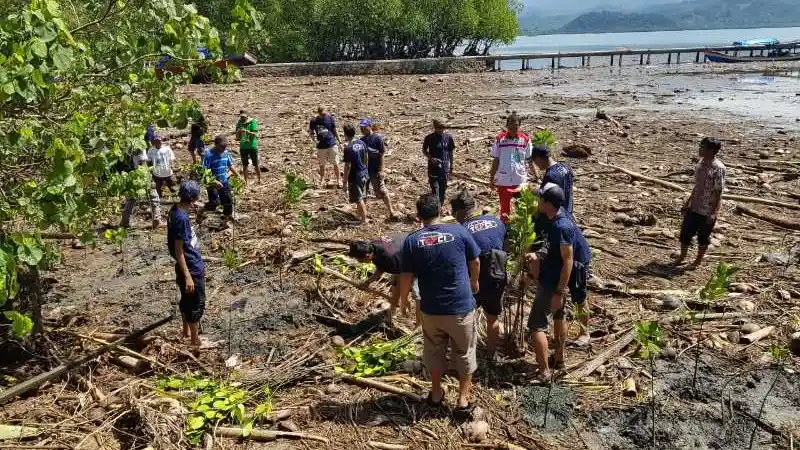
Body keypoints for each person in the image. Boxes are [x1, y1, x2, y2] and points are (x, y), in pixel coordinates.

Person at [397, 193, 480, 419]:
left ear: (418, 216)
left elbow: (406, 276)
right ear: (442, 211)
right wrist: (474, 281)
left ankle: (435, 394)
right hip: (460, 307)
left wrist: (403, 301)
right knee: (465, 352)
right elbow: (475, 261)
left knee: (434, 352)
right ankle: (463, 401)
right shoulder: (459, 231)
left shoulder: (412, 241)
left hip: (431, 310)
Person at [526, 183, 591, 384]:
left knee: (536, 325)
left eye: (541, 199)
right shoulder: (555, 217)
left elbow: (568, 259)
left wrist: (560, 290)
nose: (538, 201)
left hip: (564, 272)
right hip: (561, 269)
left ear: (547, 202)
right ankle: (560, 358)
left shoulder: (561, 226)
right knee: (559, 314)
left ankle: (544, 371)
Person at [450, 190, 507, 359]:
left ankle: (464, 353)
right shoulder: (495, 221)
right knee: (493, 318)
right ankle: (491, 354)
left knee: (464, 317)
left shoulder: (460, 231)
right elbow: (506, 246)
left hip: (473, 280)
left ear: (458, 213)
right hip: (497, 275)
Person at [168, 180, 206, 354]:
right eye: (197, 197)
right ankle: (194, 340)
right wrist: (188, 275)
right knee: (195, 304)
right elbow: (178, 249)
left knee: (186, 300)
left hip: (188, 265)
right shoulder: (181, 218)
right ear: (192, 198)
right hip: (191, 267)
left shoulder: (175, 210)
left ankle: (185, 332)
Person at [676, 137, 726, 267]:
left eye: (702, 147)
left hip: (706, 209)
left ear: (711, 150)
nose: (699, 149)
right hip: (694, 206)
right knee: (685, 233)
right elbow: (697, 186)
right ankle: (682, 257)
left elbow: (718, 191)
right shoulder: (700, 163)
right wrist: (688, 202)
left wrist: (713, 212)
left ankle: (698, 261)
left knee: (703, 237)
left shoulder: (718, 168)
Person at [349, 233, 418, 317]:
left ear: (367, 256)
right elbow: (381, 268)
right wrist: (367, 282)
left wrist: (404, 298)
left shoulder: (391, 258)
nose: (360, 263)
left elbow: (403, 277)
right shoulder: (372, 247)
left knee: (414, 290)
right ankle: (393, 309)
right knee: (395, 283)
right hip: (401, 251)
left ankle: (416, 318)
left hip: (416, 255)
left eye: (361, 261)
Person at [489, 112, 533, 223]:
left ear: (519, 126)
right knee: (504, 210)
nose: (513, 129)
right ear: (507, 126)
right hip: (504, 180)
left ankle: (520, 233)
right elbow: (496, 159)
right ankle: (505, 230)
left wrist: (536, 176)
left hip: (520, 180)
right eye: (511, 127)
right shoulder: (500, 140)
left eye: (516, 127)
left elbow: (529, 159)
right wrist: (491, 178)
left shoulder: (525, 140)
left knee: (522, 208)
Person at [360, 118, 398, 219]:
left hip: (375, 169)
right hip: (365, 170)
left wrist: (381, 169)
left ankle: (391, 211)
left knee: (382, 191)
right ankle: (364, 214)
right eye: (361, 128)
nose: (363, 130)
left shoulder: (377, 139)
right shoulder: (361, 141)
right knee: (363, 192)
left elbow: (381, 155)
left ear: (370, 126)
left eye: (364, 128)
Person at [119, 146, 161, 229]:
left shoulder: (122, 144)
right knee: (154, 197)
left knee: (130, 200)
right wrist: (147, 176)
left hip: (127, 176)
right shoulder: (139, 144)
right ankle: (156, 218)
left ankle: (124, 221)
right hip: (139, 175)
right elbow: (143, 162)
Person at [203, 135, 239, 224]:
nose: (224, 148)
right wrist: (214, 181)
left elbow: (230, 165)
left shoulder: (226, 153)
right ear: (216, 145)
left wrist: (238, 176)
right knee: (214, 203)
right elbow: (205, 172)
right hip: (212, 182)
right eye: (222, 146)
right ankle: (201, 211)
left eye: (225, 146)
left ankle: (225, 222)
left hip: (224, 180)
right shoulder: (208, 155)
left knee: (228, 201)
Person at [423, 119, 456, 206]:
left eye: (443, 128)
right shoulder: (429, 138)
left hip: (444, 169)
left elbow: (450, 152)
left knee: (443, 191)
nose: (441, 130)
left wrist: (451, 166)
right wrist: (431, 158)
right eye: (439, 128)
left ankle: (440, 208)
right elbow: (424, 150)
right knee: (435, 191)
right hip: (433, 168)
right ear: (435, 127)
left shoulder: (448, 137)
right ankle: (436, 210)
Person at [341, 124, 369, 222]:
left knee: (358, 198)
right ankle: (360, 215)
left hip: (355, 176)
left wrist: (344, 182)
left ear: (345, 134)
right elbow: (366, 157)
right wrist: (365, 168)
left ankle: (364, 219)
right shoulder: (362, 143)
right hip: (364, 173)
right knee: (363, 196)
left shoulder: (348, 148)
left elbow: (347, 166)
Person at [309, 106, 342, 188]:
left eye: (324, 114)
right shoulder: (314, 121)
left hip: (331, 144)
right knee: (322, 164)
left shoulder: (330, 118)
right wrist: (314, 140)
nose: (323, 116)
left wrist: (339, 141)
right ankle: (322, 179)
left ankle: (339, 180)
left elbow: (335, 130)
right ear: (318, 113)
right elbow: (311, 132)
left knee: (336, 163)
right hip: (321, 146)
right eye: (321, 114)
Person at [235, 109, 260, 184]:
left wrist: (246, 132)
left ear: (247, 116)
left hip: (252, 146)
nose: (242, 118)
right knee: (245, 165)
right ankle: (246, 182)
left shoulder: (252, 122)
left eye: (243, 117)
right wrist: (239, 133)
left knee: (255, 164)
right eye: (241, 117)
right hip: (243, 147)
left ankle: (259, 179)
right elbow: (237, 138)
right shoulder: (239, 123)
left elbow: (255, 134)